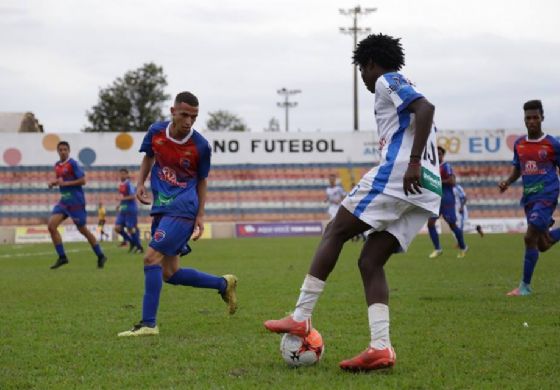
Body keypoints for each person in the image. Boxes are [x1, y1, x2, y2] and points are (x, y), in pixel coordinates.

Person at [264, 33, 441, 371]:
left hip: (401, 174)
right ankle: (381, 347)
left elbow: (426, 108)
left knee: (334, 230)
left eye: (362, 70)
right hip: (428, 190)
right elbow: (422, 112)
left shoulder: (388, 81)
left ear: (371, 64)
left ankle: (301, 317)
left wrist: (414, 160)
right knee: (370, 260)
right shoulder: (403, 85)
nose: (363, 77)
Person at [118, 91, 238, 337]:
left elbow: (202, 181)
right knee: (169, 273)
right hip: (161, 207)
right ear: (172, 111)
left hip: (183, 208)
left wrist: (201, 215)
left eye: (194, 116)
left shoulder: (201, 146)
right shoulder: (156, 132)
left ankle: (148, 324)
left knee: (150, 258)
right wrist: (140, 183)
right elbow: (148, 158)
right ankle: (223, 284)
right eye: (184, 115)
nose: (188, 121)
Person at [499, 100, 560, 296]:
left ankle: (524, 287)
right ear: (524, 120)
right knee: (542, 244)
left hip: (547, 196)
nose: (532, 121)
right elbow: (519, 168)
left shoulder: (552, 144)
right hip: (529, 198)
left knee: (529, 238)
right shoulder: (519, 144)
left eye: (535, 117)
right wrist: (508, 182)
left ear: (542, 118)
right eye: (528, 118)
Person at [47, 141, 107, 269]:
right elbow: (61, 180)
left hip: (76, 202)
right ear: (57, 151)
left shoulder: (72, 163)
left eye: (65, 149)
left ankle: (100, 254)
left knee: (83, 230)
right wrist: (54, 183)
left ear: (68, 151)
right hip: (64, 202)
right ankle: (62, 257)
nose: (63, 152)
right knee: (51, 226)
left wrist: (66, 184)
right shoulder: (57, 165)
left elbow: (83, 180)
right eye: (60, 149)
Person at [426, 146, 468, 258]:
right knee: (430, 224)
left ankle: (463, 247)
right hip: (436, 200)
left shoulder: (445, 166)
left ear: (443, 155)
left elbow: (452, 181)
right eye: (436, 153)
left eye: (440, 153)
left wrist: (437, 181)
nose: (438, 155)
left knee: (452, 225)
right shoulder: (432, 167)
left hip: (446, 200)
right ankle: (438, 249)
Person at [115, 168, 143, 253]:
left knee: (130, 228)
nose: (122, 175)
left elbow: (133, 196)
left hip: (130, 208)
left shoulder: (129, 184)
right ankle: (132, 242)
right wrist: (119, 205)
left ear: (127, 175)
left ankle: (139, 247)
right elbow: (122, 197)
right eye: (121, 174)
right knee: (117, 228)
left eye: (124, 174)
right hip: (123, 209)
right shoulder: (120, 184)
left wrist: (122, 198)